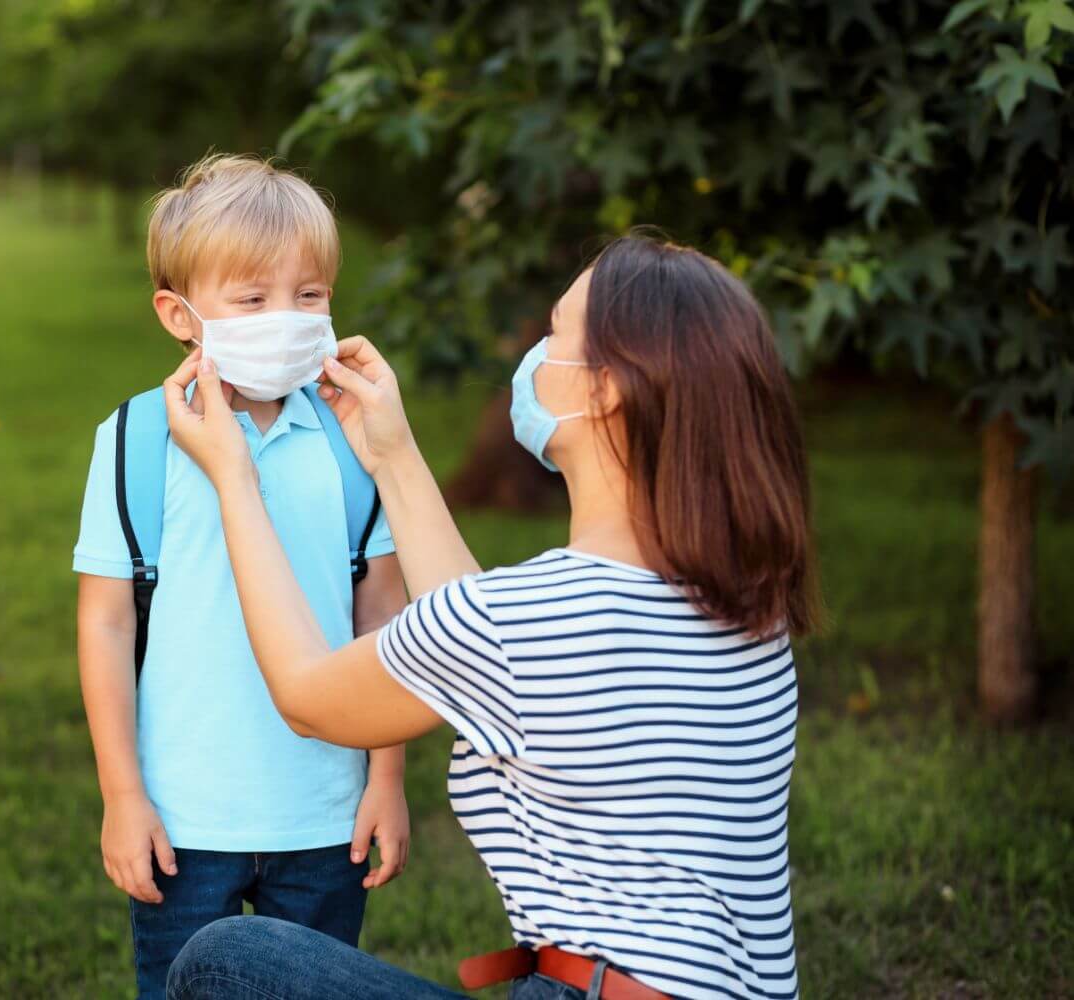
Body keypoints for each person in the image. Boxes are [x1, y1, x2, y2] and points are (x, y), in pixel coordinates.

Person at [160, 233, 819, 1000]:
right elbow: (478, 638)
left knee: (225, 962)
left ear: (604, 388)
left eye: (556, 334)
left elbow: (309, 694)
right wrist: (393, 455)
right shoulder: (745, 608)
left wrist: (234, 478)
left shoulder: (523, 621)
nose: (535, 355)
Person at [73, 154, 411, 1000]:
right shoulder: (135, 442)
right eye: (253, 299)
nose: (287, 319)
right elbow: (106, 622)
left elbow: (386, 615)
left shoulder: (353, 439)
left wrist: (387, 778)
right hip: (184, 821)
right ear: (179, 315)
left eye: (311, 296)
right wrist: (123, 795)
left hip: (325, 817)